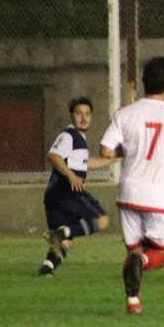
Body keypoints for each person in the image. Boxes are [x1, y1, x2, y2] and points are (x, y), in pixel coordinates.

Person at [100, 57, 164, 315]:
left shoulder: (125, 113)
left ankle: (133, 301)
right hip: (161, 197)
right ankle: (141, 262)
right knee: (159, 254)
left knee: (133, 249)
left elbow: (106, 150)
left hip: (130, 191)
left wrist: (130, 151)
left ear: (143, 81)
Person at [40, 96, 119, 276]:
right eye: (78, 113)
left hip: (53, 196)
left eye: (87, 114)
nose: (83, 118)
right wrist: (71, 175)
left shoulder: (78, 139)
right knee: (102, 220)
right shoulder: (69, 136)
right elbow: (53, 155)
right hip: (67, 192)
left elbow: (86, 162)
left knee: (66, 241)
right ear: (71, 115)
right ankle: (59, 234)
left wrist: (113, 160)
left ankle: (46, 270)